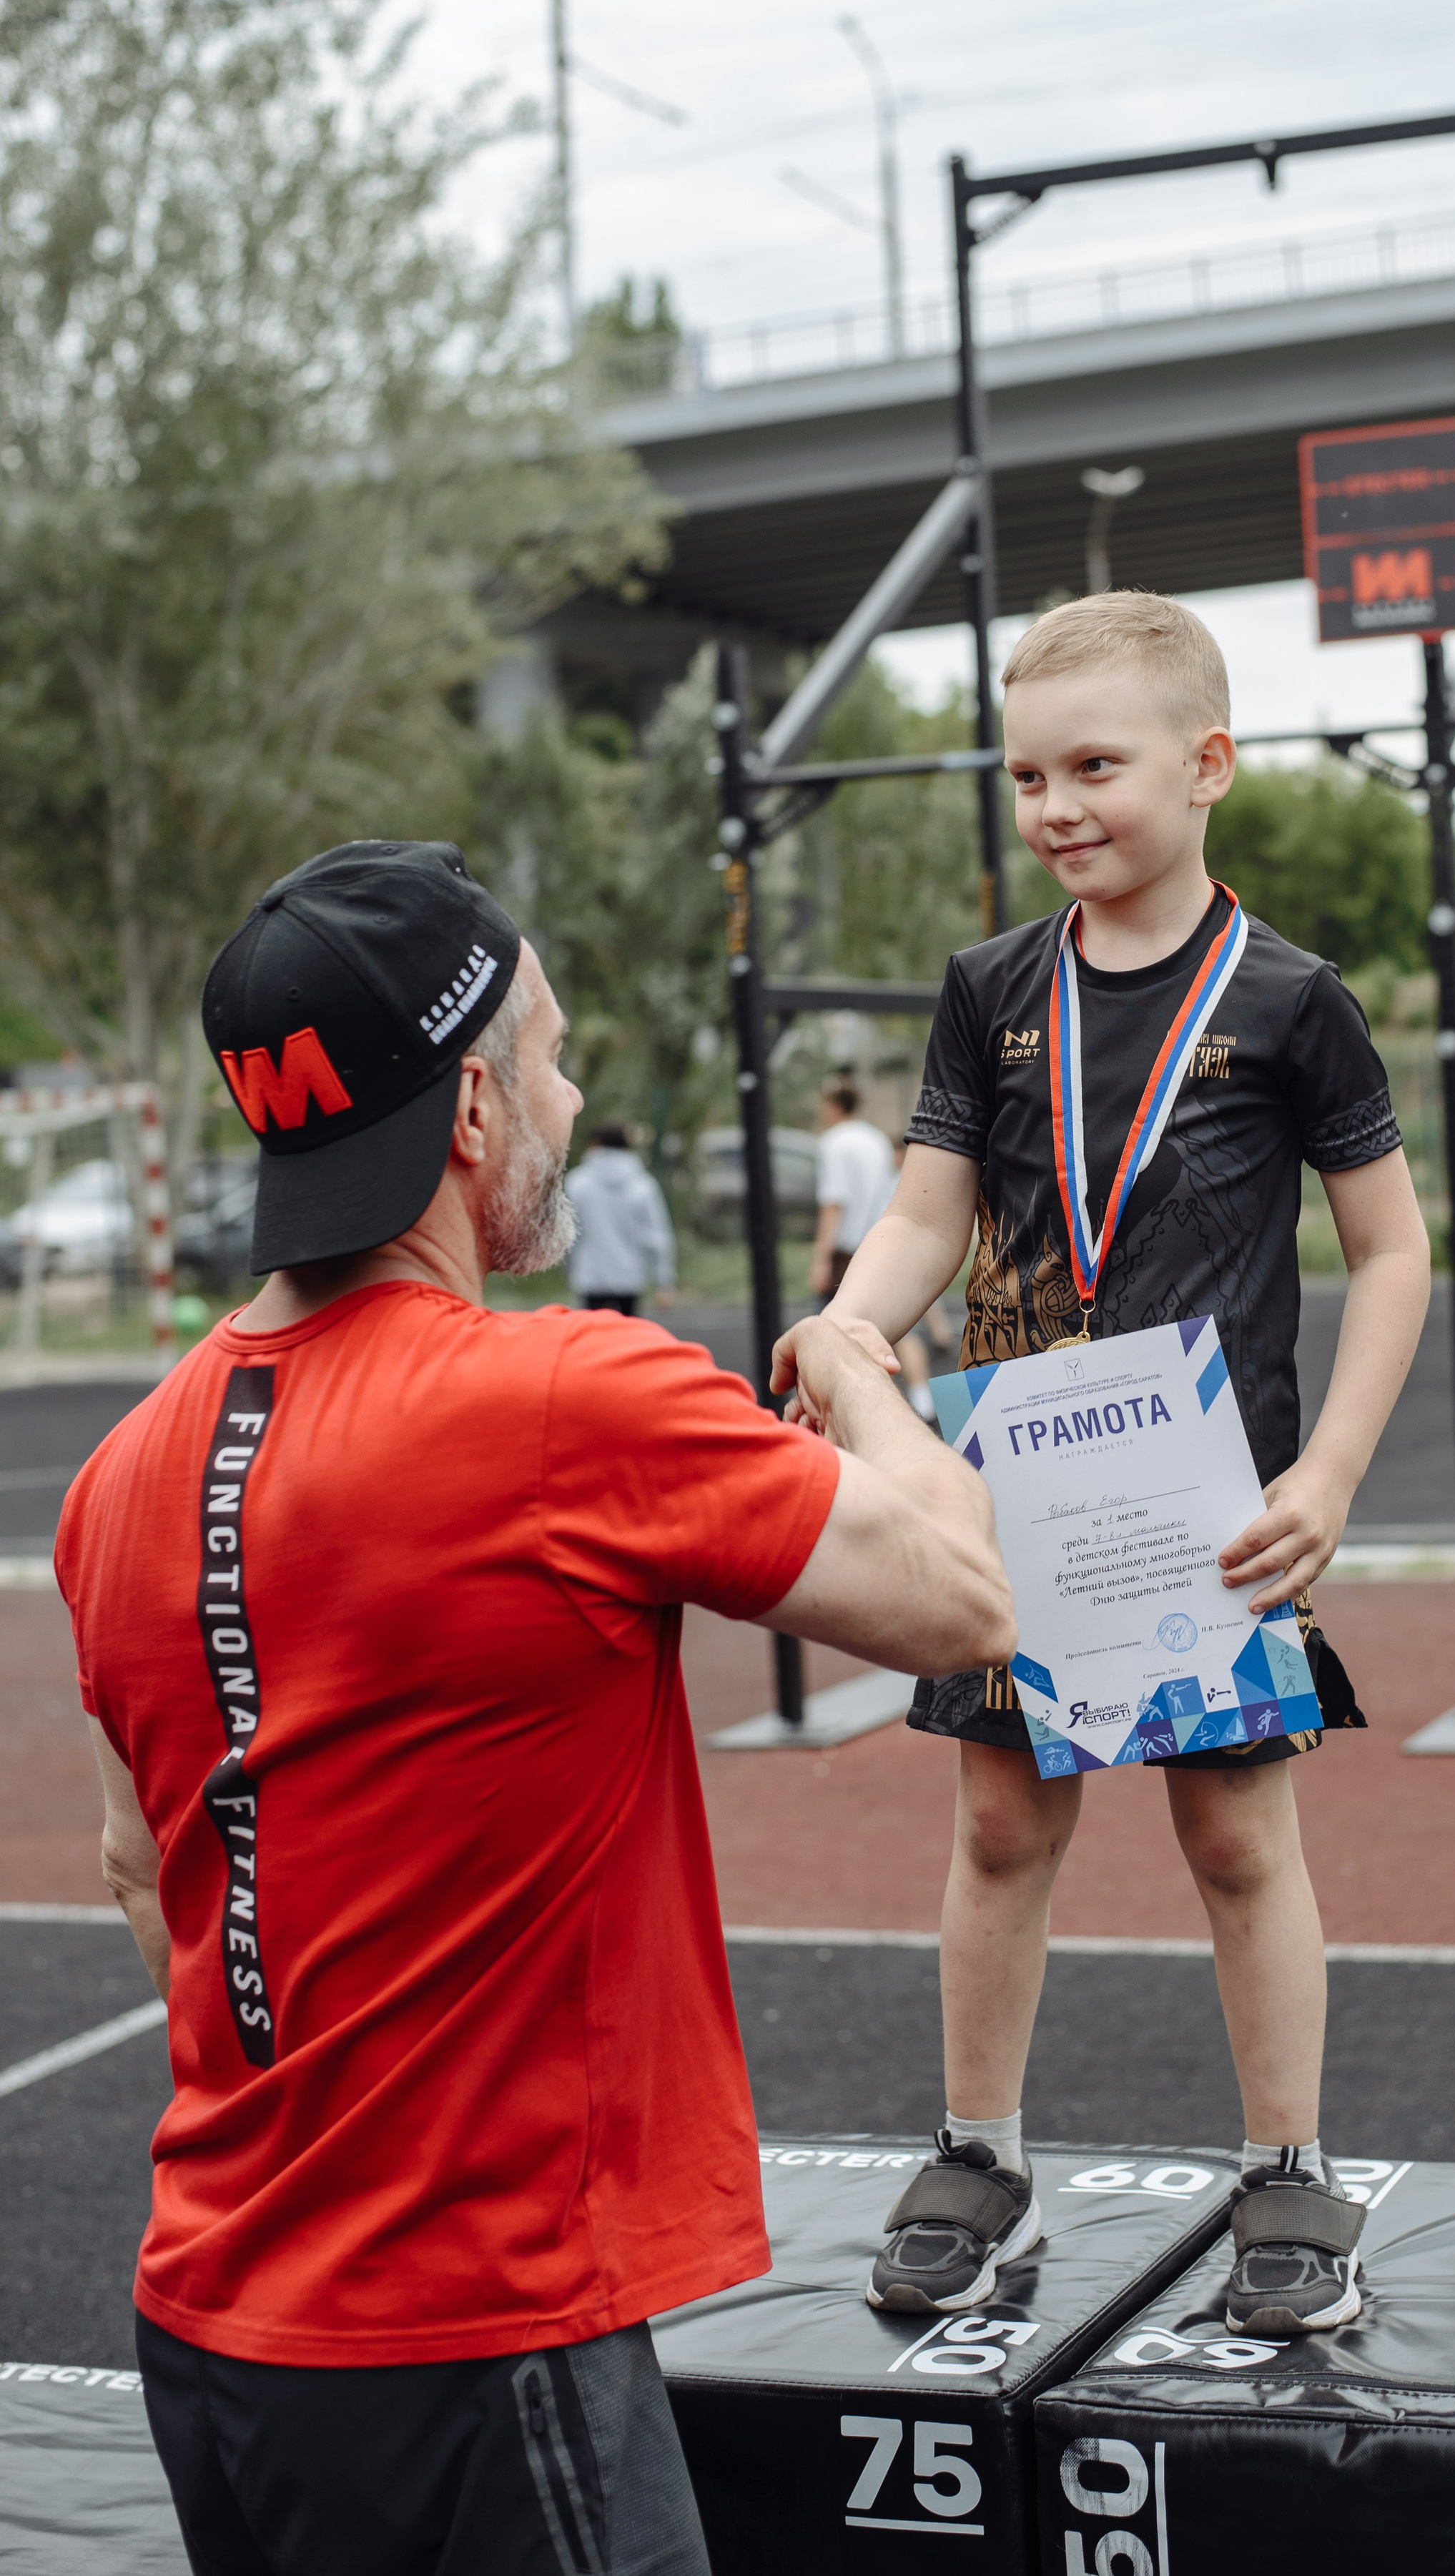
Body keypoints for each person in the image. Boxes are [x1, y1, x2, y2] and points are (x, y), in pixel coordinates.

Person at [57, 839, 1013, 2576]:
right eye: (554, 1057)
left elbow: (146, 1870)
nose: (570, 1099)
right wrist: (860, 1368)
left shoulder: (117, 1476)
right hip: (475, 2341)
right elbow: (959, 1597)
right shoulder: (565, 1396)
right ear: (475, 1106)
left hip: (214, 2326)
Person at [773, 591, 1432, 2338]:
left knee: (1232, 1836)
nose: (1055, 806)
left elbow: (1390, 1253)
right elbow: (927, 1210)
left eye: (1093, 767)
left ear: (1205, 765)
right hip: (1013, 1498)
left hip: (1212, 1512)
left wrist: (1330, 1472)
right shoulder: (989, 989)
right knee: (1001, 1821)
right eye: (1025, 776)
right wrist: (846, 1321)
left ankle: (1286, 2171)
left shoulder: (1291, 1001)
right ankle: (976, 2155)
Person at [567, 1117, 676, 1315]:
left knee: (593, 1333)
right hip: (630, 1278)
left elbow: (570, 1234)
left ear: (596, 1144)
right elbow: (656, 1237)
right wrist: (664, 1281)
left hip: (591, 1276)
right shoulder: (643, 1185)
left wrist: (571, 1269)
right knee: (629, 1332)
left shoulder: (577, 1183)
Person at [809, 1079, 895, 1303]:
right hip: (878, 1242)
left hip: (846, 1251)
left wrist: (821, 1260)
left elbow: (833, 1202)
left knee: (832, 1317)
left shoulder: (833, 1142)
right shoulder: (877, 1139)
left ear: (835, 1105)